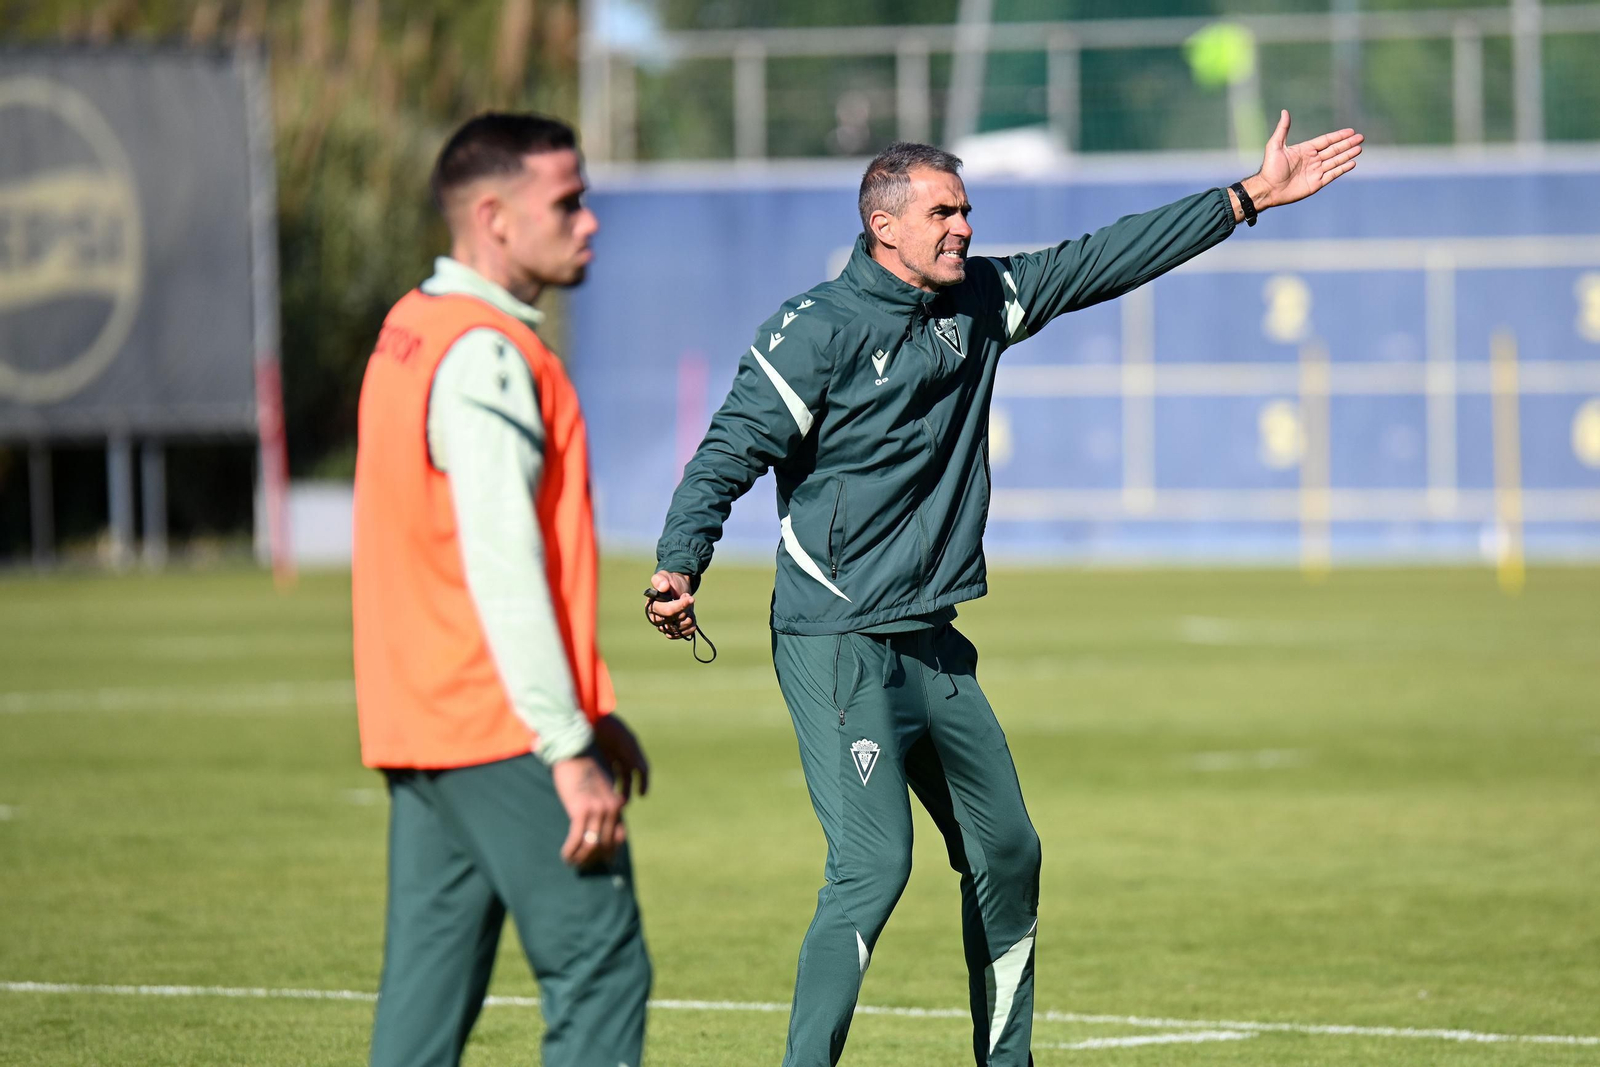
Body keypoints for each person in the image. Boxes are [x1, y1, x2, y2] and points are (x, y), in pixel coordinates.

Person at [645, 111, 1362, 1066]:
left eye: (968, 211)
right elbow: (730, 447)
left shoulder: (981, 301)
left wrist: (1244, 199)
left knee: (1009, 854)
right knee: (872, 865)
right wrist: (678, 560)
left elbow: (1101, 259)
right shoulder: (818, 329)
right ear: (884, 224)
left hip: (934, 648)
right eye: (943, 211)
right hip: (839, 643)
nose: (964, 228)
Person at [352, 112, 651, 1067]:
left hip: (426, 723)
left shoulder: (413, 328)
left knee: (424, 1007)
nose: (589, 220)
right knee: (601, 970)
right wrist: (567, 742)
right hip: (500, 727)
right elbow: (501, 562)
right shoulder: (485, 353)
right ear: (494, 217)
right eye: (567, 201)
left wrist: (592, 709)